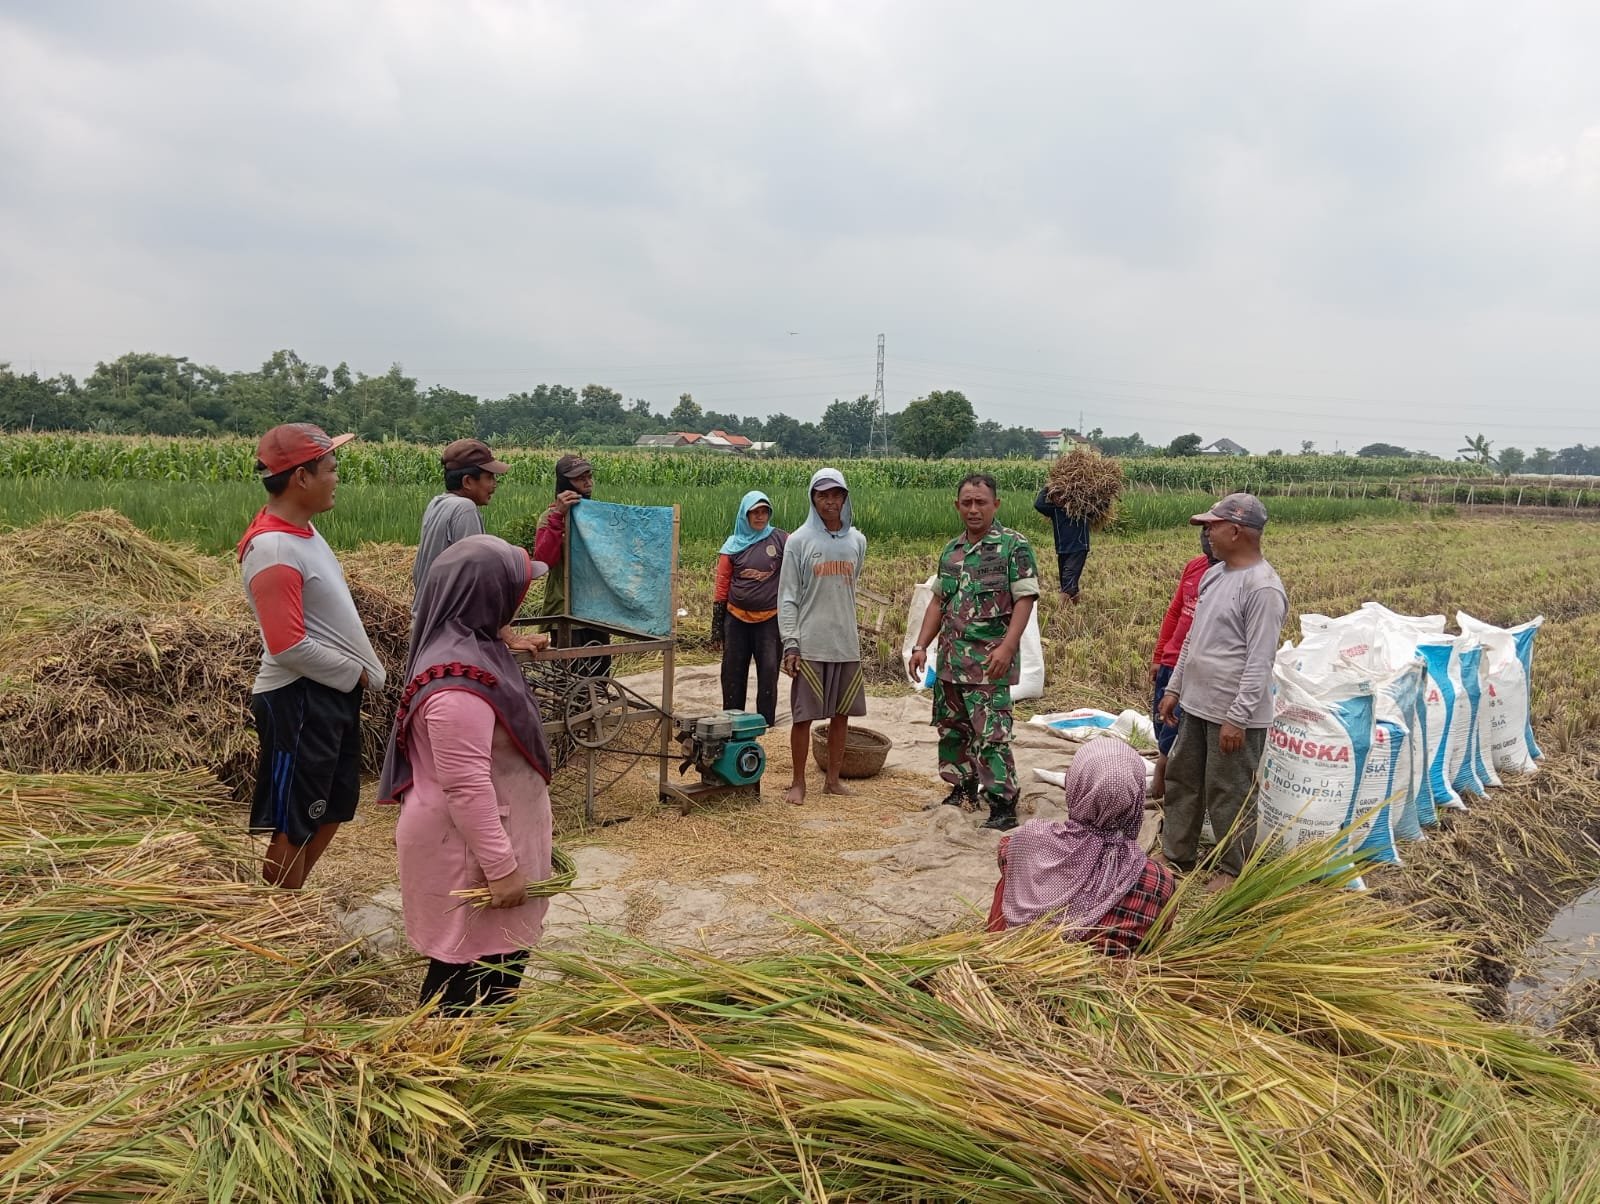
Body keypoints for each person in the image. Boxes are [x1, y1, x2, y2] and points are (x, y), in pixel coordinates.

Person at [378, 535, 554, 1014]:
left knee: (498, 963)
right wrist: (501, 868)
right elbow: (466, 785)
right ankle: (447, 1067)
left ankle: (483, 1058)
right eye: (513, 595)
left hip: (495, 835)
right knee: (462, 974)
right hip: (472, 850)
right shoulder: (457, 690)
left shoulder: (467, 642)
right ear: (487, 597)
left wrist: (507, 635)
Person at [237, 423, 386, 890]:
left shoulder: (303, 532)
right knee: (295, 817)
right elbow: (287, 645)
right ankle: (277, 913)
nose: (337, 477)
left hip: (327, 695)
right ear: (301, 477)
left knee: (333, 805)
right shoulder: (273, 549)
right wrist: (355, 674)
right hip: (300, 698)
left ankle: (291, 896)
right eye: (330, 469)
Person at [1157, 493, 1288, 893]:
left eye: (1212, 526)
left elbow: (1259, 661)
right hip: (1196, 704)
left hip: (1233, 715)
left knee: (1229, 792)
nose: (1207, 533)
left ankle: (1232, 869)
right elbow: (1195, 639)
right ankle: (1176, 854)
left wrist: (1238, 717)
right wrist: (1175, 687)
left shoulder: (1263, 589)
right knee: (1183, 780)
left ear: (1235, 530)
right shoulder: (1215, 575)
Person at [909, 473, 1040, 832]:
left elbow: (1024, 598)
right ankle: (962, 789)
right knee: (953, 730)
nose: (973, 509)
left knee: (992, 735)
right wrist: (921, 646)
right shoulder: (951, 551)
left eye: (980, 502)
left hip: (989, 663)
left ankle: (1002, 803)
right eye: (966, 502)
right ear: (957, 506)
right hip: (951, 662)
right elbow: (938, 601)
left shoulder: (1014, 547)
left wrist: (1009, 646)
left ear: (995, 504)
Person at [985, 738, 1176, 957]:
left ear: (1076, 787)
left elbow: (1005, 860)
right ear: (1137, 798)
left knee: (1013, 870)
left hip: (1009, 968)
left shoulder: (1027, 841)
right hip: (1107, 984)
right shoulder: (1160, 881)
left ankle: (999, 940)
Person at [777, 467, 867, 805]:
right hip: (810, 643)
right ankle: (798, 782)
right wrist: (791, 642)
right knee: (804, 715)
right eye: (822, 495)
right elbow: (787, 595)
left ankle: (832, 780)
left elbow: (850, 585)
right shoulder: (799, 541)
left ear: (845, 498)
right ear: (812, 499)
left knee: (840, 715)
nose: (830, 502)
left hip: (845, 643)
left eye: (836, 495)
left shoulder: (857, 541)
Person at [413, 438, 547, 654]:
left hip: (428, 620)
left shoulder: (438, 503)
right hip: (452, 630)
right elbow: (479, 579)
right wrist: (508, 636)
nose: (494, 484)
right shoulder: (465, 509)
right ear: (467, 481)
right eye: (489, 477)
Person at [1148, 525, 1219, 799]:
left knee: (1175, 737)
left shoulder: (1231, 578)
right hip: (1171, 662)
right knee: (1162, 725)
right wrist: (1159, 656)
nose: (1206, 535)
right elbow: (1176, 611)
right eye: (1204, 529)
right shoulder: (1194, 567)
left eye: (1212, 529)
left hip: (1196, 672)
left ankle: (1161, 791)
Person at [710, 490, 788, 726]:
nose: (760, 516)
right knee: (732, 674)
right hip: (735, 620)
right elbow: (722, 585)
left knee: (768, 673)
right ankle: (733, 723)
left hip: (770, 620)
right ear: (745, 515)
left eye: (764, 511)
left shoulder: (782, 540)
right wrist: (717, 627)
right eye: (755, 512)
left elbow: (800, 565)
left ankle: (766, 725)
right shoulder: (731, 547)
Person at [531, 453, 609, 673]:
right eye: (579, 478)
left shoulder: (598, 516)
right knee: (571, 674)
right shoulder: (550, 517)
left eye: (589, 476)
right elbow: (544, 561)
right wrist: (559, 517)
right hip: (566, 607)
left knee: (600, 671)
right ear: (564, 482)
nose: (587, 482)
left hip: (596, 607)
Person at [1032, 487, 1090, 604]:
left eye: (1059, 495)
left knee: (1067, 582)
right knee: (1068, 584)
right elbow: (1038, 504)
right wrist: (1047, 488)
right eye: (1054, 496)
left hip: (1078, 549)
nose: (1057, 498)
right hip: (1063, 550)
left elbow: (1100, 505)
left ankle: (1060, 616)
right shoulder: (1054, 510)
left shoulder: (1081, 508)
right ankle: (1074, 610)